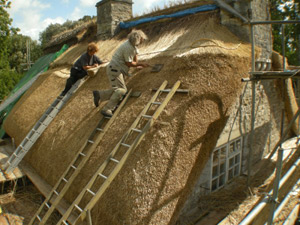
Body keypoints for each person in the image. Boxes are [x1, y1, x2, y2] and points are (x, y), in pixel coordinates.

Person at [92, 30, 149, 117]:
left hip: (115, 69)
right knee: (122, 90)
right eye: (142, 39)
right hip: (115, 69)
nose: (143, 41)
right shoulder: (128, 47)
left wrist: (136, 63)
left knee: (118, 90)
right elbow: (128, 63)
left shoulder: (131, 46)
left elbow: (134, 57)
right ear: (137, 39)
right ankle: (107, 109)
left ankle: (100, 94)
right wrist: (141, 64)